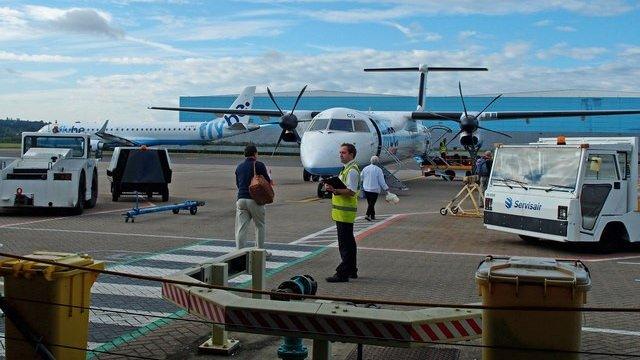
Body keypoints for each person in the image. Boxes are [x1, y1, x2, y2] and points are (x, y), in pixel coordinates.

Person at [324, 143, 360, 283]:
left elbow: (351, 191)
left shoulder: (351, 171)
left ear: (351, 154)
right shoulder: (346, 169)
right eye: (340, 152)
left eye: (343, 152)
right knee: (349, 243)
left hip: (345, 213)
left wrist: (335, 190)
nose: (340, 155)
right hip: (341, 213)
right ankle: (352, 270)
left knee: (345, 245)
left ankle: (342, 273)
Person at [235, 145, 272, 251]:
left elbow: (238, 184)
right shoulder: (259, 165)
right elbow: (267, 182)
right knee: (259, 225)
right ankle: (259, 251)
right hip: (255, 200)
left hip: (241, 200)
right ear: (255, 154)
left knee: (241, 227)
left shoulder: (239, 167)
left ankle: (239, 252)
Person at [361, 156, 389, 221]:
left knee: (370, 203)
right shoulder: (379, 170)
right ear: (377, 162)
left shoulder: (365, 168)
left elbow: (361, 177)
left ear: (370, 161)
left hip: (366, 188)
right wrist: (386, 188)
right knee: (372, 203)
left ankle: (373, 215)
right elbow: (381, 181)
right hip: (374, 189)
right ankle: (367, 215)